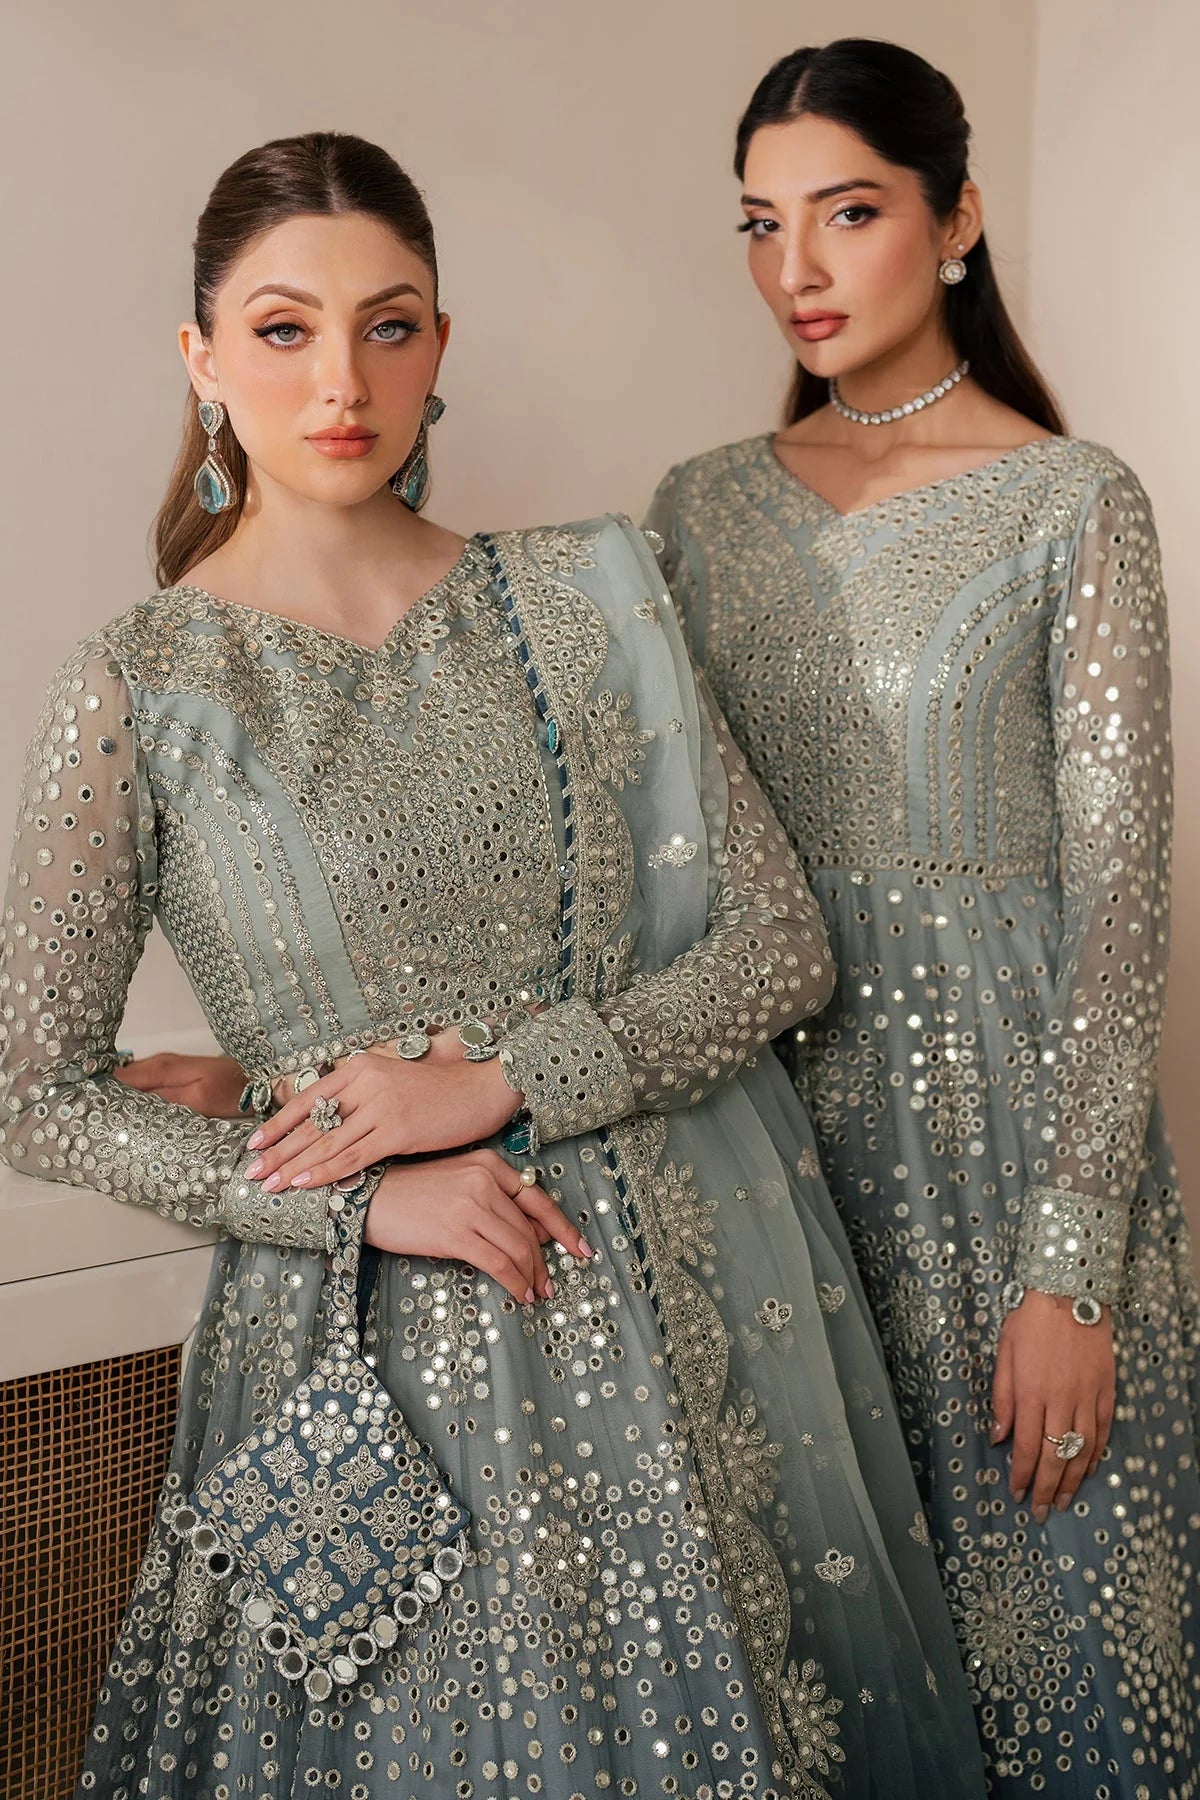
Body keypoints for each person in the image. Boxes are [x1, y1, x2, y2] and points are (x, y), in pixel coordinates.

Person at [0, 131, 988, 1799]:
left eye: (390, 325)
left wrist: (505, 1079)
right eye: (283, 328)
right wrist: (354, 1196)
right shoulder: (143, 688)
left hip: (675, 1323)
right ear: (202, 358)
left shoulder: (588, 602)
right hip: (370, 1345)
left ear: (442, 347)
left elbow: (778, 947)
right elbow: (33, 1094)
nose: (342, 379)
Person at [646, 39, 1200, 1798]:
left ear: (957, 219)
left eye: (848, 212)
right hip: (769, 1151)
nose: (793, 268)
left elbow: (1122, 910)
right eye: (759, 224)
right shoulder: (697, 510)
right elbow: (654, 871)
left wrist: (1072, 1266)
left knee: (1064, 1653)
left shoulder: (1071, 500)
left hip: (1015, 1156)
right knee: (809, 1682)